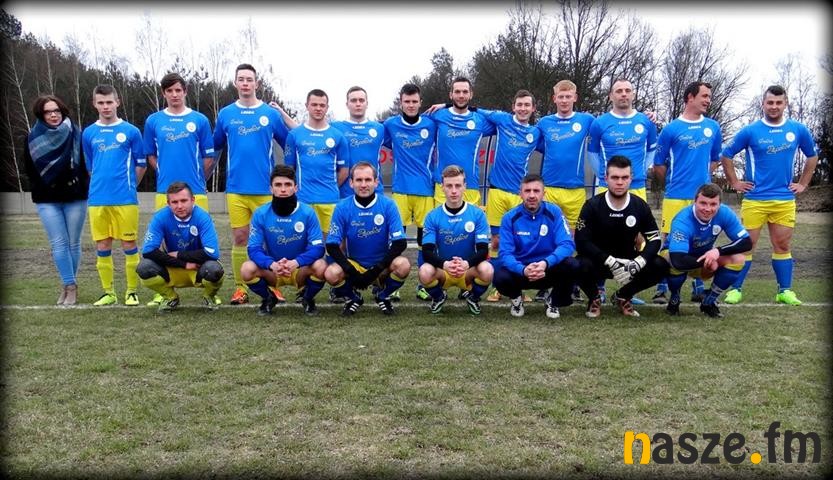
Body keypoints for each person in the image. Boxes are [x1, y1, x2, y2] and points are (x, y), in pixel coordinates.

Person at [720, 85, 819, 306]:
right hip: (755, 199)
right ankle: (735, 289)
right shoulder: (750, 131)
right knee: (746, 245)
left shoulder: (798, 129)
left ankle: (784, 291)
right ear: (763, 104)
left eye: (778, 102)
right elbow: (726, 155)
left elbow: (812, 156)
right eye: (770, 102)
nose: (774, 107)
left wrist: (803, 184)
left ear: (785, 104)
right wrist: (735, 182)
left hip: (784, 200)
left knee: (782, 245)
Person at [213, 63, 294, 306]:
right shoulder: (226, 114)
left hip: (265, 190)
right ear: (235, 83)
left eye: (250, 79)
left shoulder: (270, 114)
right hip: (236, 188)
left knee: (269, 240)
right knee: (240, 237)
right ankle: (240, 288)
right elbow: (215, 147)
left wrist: (288, 177)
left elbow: (289, 143)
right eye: (241, 79)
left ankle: (273, 286)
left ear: (257, 84)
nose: (246, 83)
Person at [143, 72, 214, 306]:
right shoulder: (153, 121)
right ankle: (163, 291)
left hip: (196, 191)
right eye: (169, 91)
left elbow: (208, 157)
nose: (174, 94)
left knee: (200, 241)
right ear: (164, 93)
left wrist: (197, 179)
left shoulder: (200, 120)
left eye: (178, 90)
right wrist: (163, 172)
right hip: (164, 191)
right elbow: (150, 155)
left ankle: (208, 288)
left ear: (185, 91)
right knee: (162, 240)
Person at [587, 78, 658, 305]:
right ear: (611, 96)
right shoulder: (600, 123)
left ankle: (627, 291)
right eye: (619, 91)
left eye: (628, 90)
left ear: (633, 94)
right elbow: (592, 152)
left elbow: (652, 149)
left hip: (636, 186)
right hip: (607, 185)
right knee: (601, 235)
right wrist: (602, 175)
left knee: (637, 238)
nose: (624, 94)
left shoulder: (645, 122)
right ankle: (599, 288)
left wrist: (642, 169)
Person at [650, 81, 723, 305]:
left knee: (701, 241)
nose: (708, 100)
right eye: (704, 96)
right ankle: (662, 288)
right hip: (675, 196)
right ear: (690, 97)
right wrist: (674, 182)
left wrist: (702, 179)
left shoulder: (713, 127)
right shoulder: (671, 129)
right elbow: (658, 164)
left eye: (709, 96)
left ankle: (698, 287)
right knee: (669, 242)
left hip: (702, 199)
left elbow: (715, 159)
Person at [574, 155, 670, 318]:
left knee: (660, 265)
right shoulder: (592, 205)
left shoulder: (639, 205)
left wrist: (638, 262)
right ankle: (594, 298)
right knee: (577, 264)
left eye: (624, 177)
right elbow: (581, 241)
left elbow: (654, 239)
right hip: (600, 262)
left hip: (629, 264)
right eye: (615, 177)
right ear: (606, 178)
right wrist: (609, 260)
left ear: (631, 178)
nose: (620, 182)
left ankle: (623, 296)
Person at [530, 79, 596, 304]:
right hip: (550, 188)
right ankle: (544, 283)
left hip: (576, 190)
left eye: (569, 96)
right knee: (547, 237)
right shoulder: (544, 123)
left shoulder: (587, 120)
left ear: (575, 98)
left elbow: (609, 125)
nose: (565, 100)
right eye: (561, 96)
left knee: (575, 239)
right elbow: (532, 141)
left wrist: (649, 117)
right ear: (554, 98)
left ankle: (572, 283)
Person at [82, 84, 146, 307]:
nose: (106, 106)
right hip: (98, 200)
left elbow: (141, 164)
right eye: (101, 102)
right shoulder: (88, 133)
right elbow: (91, 167)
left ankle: (131, 291)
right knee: (102, 246)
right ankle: (108, 292)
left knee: (129, 244)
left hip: (125, 200)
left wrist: (129, 186)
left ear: (118, 102)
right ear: (94, 104)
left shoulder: (131, 131)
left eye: (109, 102)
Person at [23, 94, 88, 306]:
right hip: (47, 198)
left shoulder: (77, 134)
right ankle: (70, 285)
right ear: (41, 115)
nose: (53, 115)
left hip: (75, 196)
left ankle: (69, 285)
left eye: (56, 110)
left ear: (62, 111)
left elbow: (84, 165)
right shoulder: (32, 138)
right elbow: (30, 171)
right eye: (48, 112)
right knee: (59, 243)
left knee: (73, 243)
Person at [324, 162, 410, 316]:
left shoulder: (388, 205)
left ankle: (383, 296)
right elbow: (331, 245)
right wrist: (351, 271)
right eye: (359, 180)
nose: (363, 185)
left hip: (381, 265)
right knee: (331, 273)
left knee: (403, 265)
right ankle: (353, 298)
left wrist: (376, 270)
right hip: (355, 265)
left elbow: (400, 243)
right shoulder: (342, 207)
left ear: (376, 182)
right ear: (351, 183)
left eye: (368, 180)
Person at [241, 165, 328, 316]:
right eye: (278, 185)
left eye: (287, 184)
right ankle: (269, 298)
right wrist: (271, 264)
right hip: (273, 270)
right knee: (246, 269)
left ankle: (307, 298)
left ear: (296, 188)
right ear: (271, 188)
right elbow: (253, 249)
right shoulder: (261, 213)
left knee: (321, 266)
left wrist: (296, 262)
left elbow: (318, 248)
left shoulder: (308, 213)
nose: (283, 189)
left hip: (299, 269)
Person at [330, 86, 388, 304]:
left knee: (379, 237)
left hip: (374, 193)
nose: (357, 103)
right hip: (345, 193)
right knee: (341, 241)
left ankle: (380, 281)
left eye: (361, 100)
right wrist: (282, 113)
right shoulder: (336, 127)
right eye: (353, 100)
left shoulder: (379, 128)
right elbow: (305, 130)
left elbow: (407, 130)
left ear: (367, 103)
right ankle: (341, 286)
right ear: (347, 103)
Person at [493, 174, 580, 319]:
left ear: (544, 193)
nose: (532, 195)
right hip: (522, 271)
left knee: (573, 265)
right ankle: (516, 299)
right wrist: (523, 269)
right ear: (520, 194)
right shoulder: (509, 217)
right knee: (499, 275)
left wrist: (545, 263)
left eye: (536, 191)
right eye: (527, 191)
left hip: (547, 269)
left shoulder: (554, 212)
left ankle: (554, 301)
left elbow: (567, 244)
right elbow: (505, 253)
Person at [382, 83, 438, 301]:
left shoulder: (432, 124)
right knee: (396, 239)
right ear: (401, 103)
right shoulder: (391, 124)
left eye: (415, 101)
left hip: (425, 190)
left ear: (421, 102)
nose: (411, 105)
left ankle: (423, 285)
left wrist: (444, 105)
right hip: (400, 190)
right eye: (407, 101)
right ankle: (393, 284)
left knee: (426, 240)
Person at [664, 183, 752, 318]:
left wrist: (718, 251)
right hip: (679, 257)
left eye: (713, 204)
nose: (707, 209)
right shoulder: (682, 220)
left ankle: (708, 301)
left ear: (719, 204)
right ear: (695, 201)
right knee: (669, 259)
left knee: (738, 259)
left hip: (703, 257)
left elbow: (746, 242)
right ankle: (674, 298)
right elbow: (678, 260)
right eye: (703, 203)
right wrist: (708, 262)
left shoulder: (724, 213)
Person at [136, 182, 224, 312]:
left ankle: (209, 296)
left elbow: (212, 253)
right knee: (144, 267)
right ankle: (170, 297)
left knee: (214, 269)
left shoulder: (203, 217)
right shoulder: (160, 217)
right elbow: (148, 251)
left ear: (193, 200)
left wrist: (179, 254)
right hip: (172, 267)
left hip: (198, 268)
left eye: (184, 201)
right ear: (168, 203)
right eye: (174, 202)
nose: (180, 206)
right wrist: (184, 264)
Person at [420, 165, 493, 315]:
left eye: (458, 186)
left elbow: (483, 250)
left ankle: (473, 297)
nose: (454, 191)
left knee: (487, 270)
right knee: (424, 271)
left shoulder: (477, 214)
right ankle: (439, 297)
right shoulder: (432, 216)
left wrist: (466, 264)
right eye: (449, 186)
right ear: (442, 187)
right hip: (443, 270)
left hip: (467, 271)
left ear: (465, 186)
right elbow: (427, 252)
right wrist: (445, 264)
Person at [284, 88, 350, 235]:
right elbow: (289, 170)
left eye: (322, 105)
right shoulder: (294, 135)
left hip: (330, 200)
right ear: (307, 106)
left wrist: (329, 187)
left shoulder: (338, 136)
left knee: (332, 244)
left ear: (327, 107)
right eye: (314, 104)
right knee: (302, 243)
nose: (318, 108)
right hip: (302, 200)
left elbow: (344, 171)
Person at [425, 77, 495, 206]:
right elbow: (414, 123)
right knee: (442, 220)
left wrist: (448, 104)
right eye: (457, 92)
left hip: (470, 186)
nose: (461, 95)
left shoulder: (480, 120)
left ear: (471, 94)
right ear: (451, 95)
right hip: (443, 186)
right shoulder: (437, 116)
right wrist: (446, 106)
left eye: (465, 92)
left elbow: (505, 122)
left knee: (470, 220)